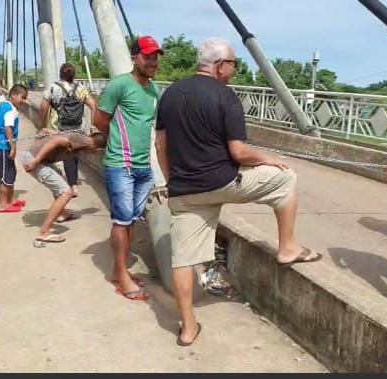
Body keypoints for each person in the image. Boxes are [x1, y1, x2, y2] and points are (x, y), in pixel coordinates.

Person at [155, 38, 320, 347]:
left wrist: (172, 182)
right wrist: (269, 159)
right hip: (223, 183)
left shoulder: (169, 95)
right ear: (219, 66)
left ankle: (188, 328)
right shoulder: (225, 96)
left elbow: (160, 145)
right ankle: (288, 248)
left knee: (182, 259)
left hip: (185, 192)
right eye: (233, 63)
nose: (235, 68)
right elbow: (240, 152)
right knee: (286, 179)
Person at [92, 36, 163, 301]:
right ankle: (122, 276)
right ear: (135, 57)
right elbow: (100, 118)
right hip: (121, 165)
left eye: (155, 57)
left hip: (144, 166)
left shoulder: (154, 90)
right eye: (147, 57)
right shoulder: (119, 85)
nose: (153, 62)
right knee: (122, 220)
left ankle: (118, 270)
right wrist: (116, 144)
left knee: (131, 219)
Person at [23, 132, 105, 242]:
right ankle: (44, 232)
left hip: (40, 159)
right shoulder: (83, 142)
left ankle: (61, 213)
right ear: (98, 150)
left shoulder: (81, 140)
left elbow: (58, 137)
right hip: (35, 160)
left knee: (59, 176)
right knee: (66, 192)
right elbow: (54, 142)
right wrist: (36, 161)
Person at [40, 63, 97, 198]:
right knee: (73, 155)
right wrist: (93, 125)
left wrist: (43, 125)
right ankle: (73, 184)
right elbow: (94, 105)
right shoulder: (81, 89)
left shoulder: (53, 88)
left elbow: (43, 108)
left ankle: (66, 187)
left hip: (58, 129)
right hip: (78, 128)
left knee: (60, 156)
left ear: (60, 74)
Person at [0, 84, 28, 213]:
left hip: (0, 145)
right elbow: (8, 127)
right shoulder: (10, 109)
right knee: (5, 176)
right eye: (22, 97)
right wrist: (13, 146)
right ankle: (3, 204)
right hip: (3, 147)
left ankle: (10, 200)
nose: (23, 101)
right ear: (13, 95)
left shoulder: (2, 106)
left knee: (11, 173)